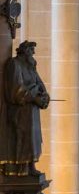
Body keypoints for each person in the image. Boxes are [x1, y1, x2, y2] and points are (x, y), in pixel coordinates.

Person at [0, 41, 50, 177]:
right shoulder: (14, 64)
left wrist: (44, 96)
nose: (33, 53)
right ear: (24, 51)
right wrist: (34, 97)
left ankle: (30, 165)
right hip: (20, 111)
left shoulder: (30, 66)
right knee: (24, 137)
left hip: (32, 111)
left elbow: (39, 84)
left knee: (33, 138)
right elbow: (16, 90)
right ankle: (21, 167)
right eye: (31, 50)